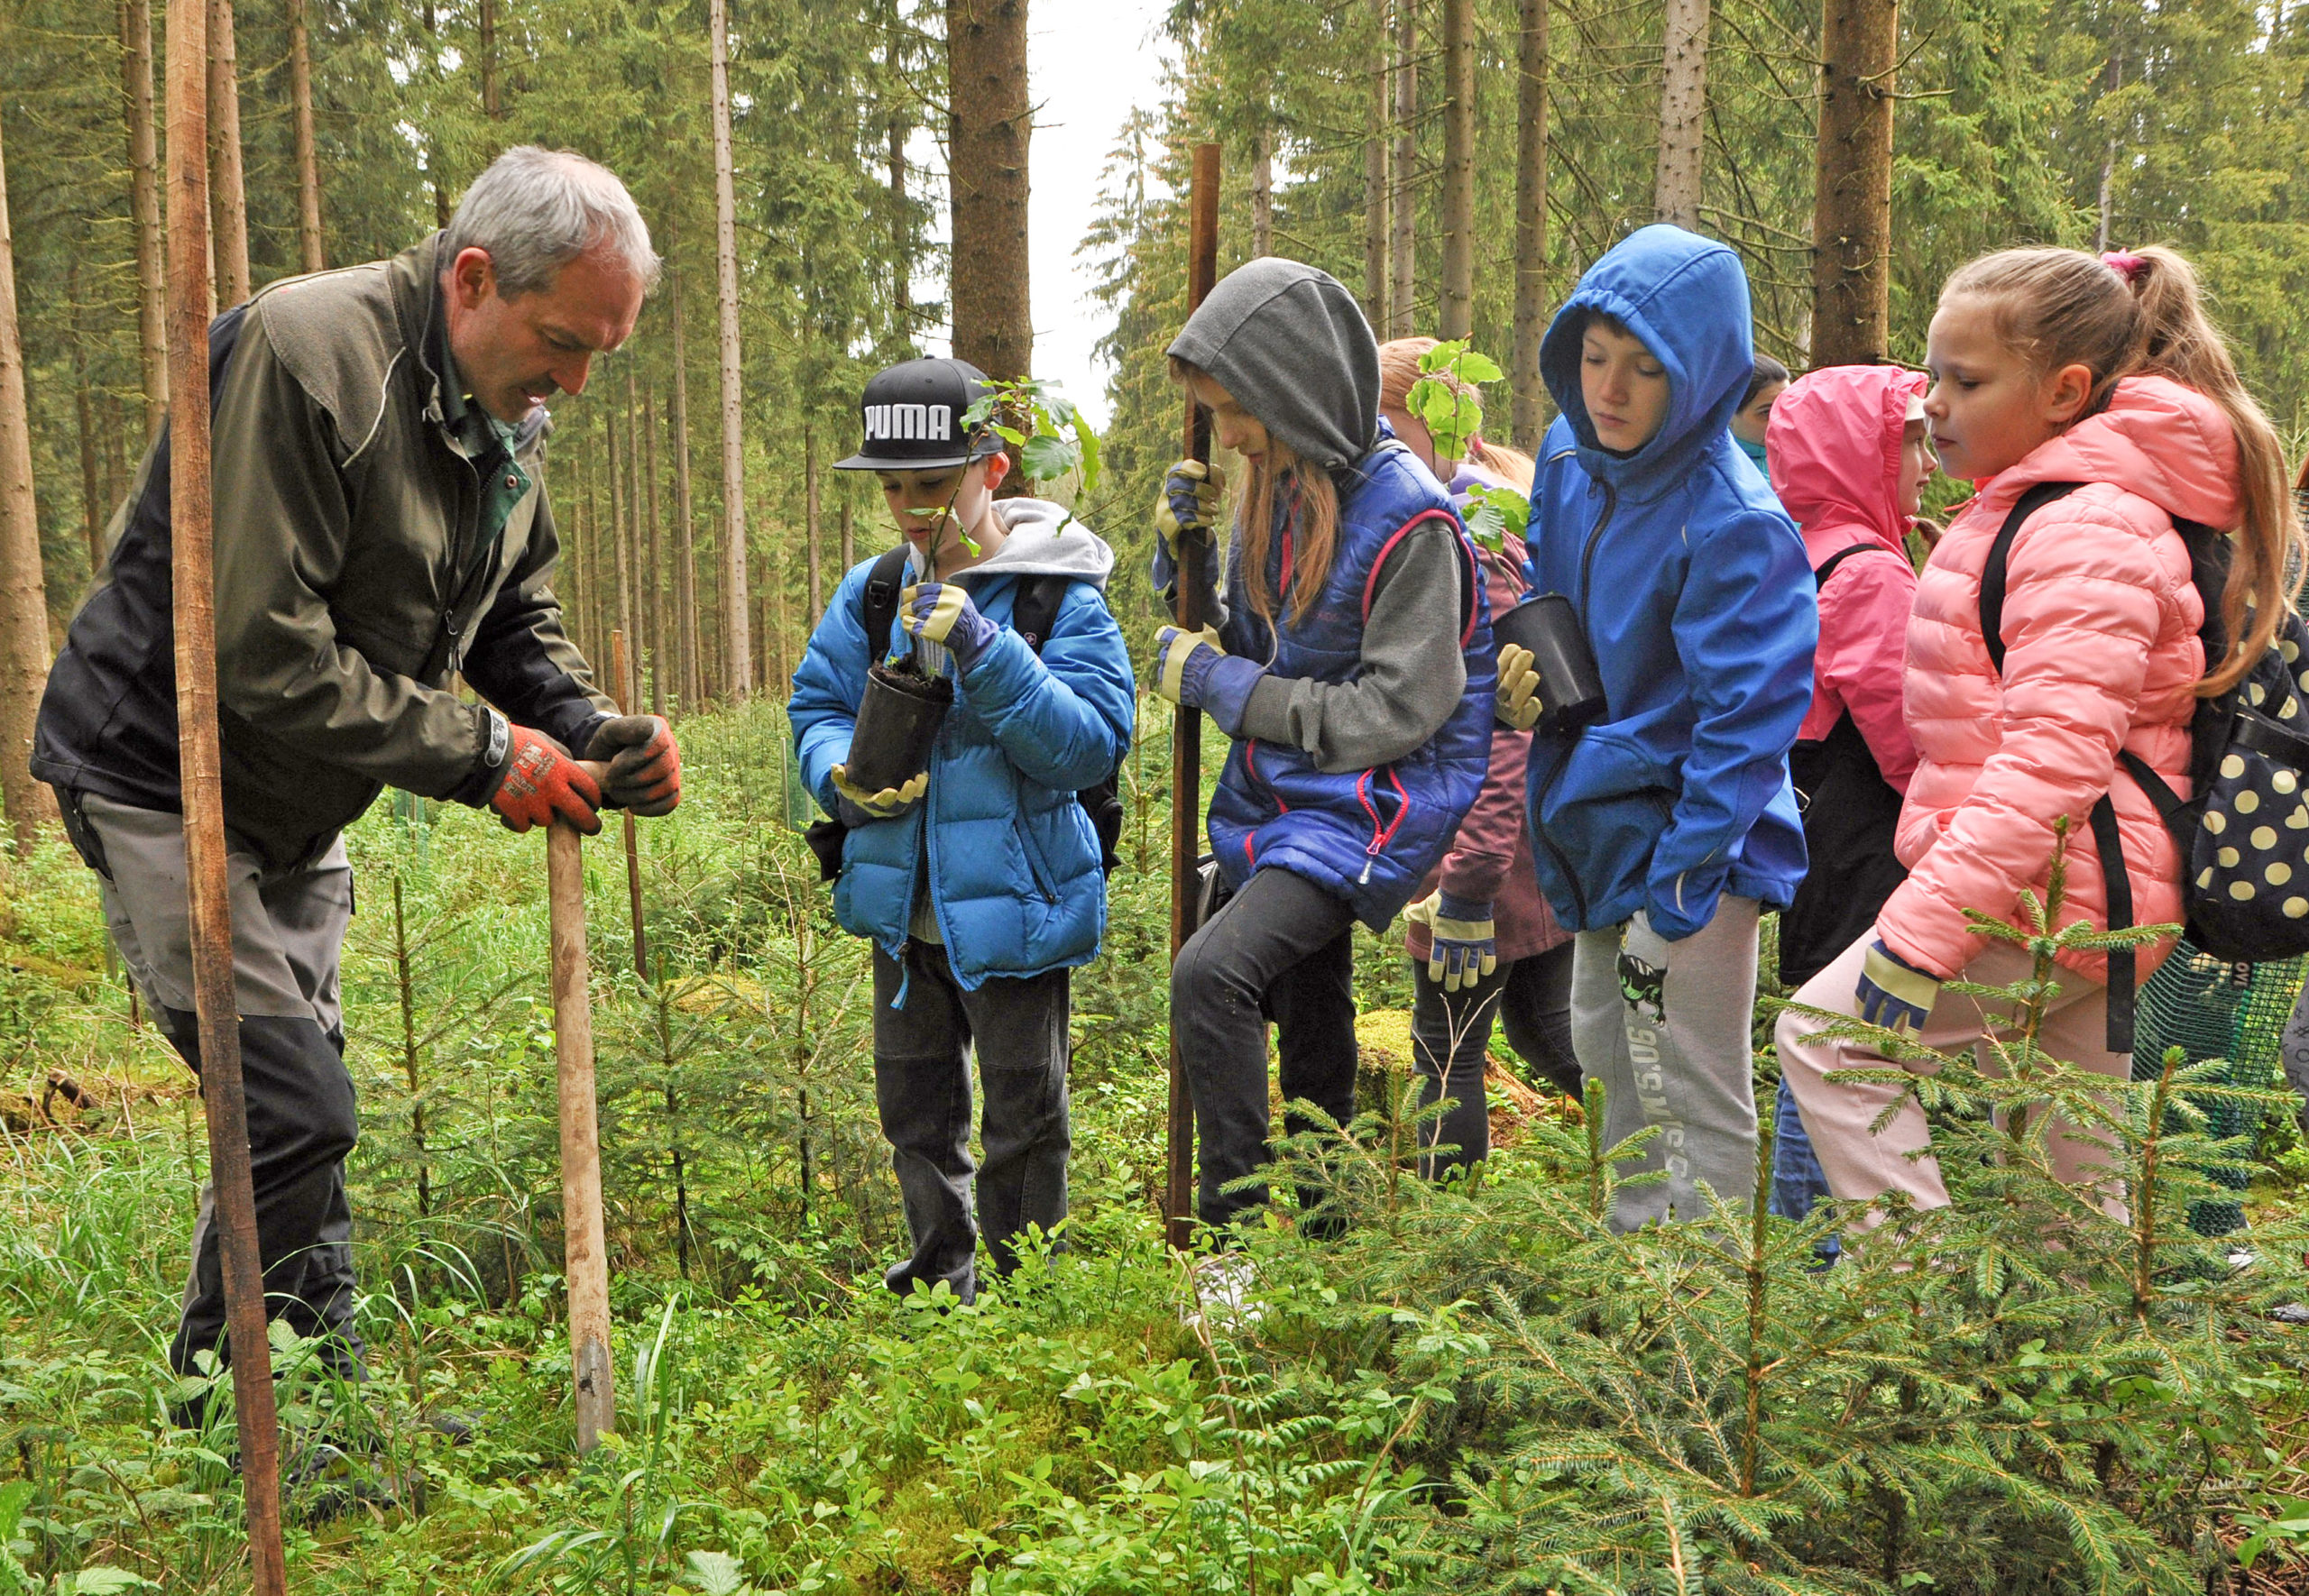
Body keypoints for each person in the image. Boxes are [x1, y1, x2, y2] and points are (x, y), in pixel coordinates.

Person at [33, 148, 681, 1421]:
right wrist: (485, 754)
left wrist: (587, 726)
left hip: (307, 794)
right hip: (170, 778)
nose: (575, 381)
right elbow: (257, 649)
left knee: (299, 1130)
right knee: (292, 1110)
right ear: (476, 277)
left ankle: (308, 1408)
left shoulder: (504, 405)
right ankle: (233, 1419)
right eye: (562, 340)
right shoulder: (311, 355)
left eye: (603, 351)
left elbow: (511, 605)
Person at [1777, 245, 2301, 1218]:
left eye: (1966, 380)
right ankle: (2092, 1366)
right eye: (1930, 373)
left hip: (2055, 888)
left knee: (1828, 1038)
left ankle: (1906, 1312)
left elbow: (2053, 760)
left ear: (2064, 392)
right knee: (2070, 1193)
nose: (1932, 401)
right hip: (2091, 891)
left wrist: (1918, 936)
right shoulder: (2055, 509)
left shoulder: (2081, 525)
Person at [1153, 260, 1493, 1240]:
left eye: (1233, 410)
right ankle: (1329, 1236)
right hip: (1289, 798)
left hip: (1374, 803)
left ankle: (1232, 1241)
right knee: (1310, 1015)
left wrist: (1219, 686)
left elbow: (1400, 709)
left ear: (1292, 388)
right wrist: (1181, 559)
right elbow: (1257, 643)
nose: (1226, 437)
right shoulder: (1283, 487)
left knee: (1210, 976)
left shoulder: (1410, 519)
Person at [788, 356, 1135, 1304]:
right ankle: (940, 1286)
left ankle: (1026, 1300)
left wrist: (986, 652)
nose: (908, 507)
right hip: (901, 913)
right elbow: (814, 705)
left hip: (1017, 911)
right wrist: (837, 774)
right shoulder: (868, 596)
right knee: (914, 1113)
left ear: (990, 469)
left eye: (931, 484)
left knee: (1023, 1116)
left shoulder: (1052, 595)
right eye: (891, 486)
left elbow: (1088, 746)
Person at [1497, 225, 1817, 1231]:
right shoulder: (1568, 458)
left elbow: (1749, 722)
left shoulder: (1735, 522)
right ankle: (1641, 1287)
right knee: (1604, 1049)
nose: (1611, 391)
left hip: (1699, 842)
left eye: (1646, 369)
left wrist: (1685, 877)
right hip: (1597, 811)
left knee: (1689, 1074)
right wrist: (1520, 682)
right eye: (1593, 358)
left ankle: (1710, 1328)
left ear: (1704, 371)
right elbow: (1554, 596)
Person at [1375, 336, 1578, 1182]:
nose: (1373, 454)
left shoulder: (1471, 538)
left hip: (1487, 842)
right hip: (1515, 839)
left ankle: (1444, 1244)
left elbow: (1504, 720)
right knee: (1549, 1028)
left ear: (1438, 427)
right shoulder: (1482, 508)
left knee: (1447, 1048)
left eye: (1385, 432)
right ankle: (1668, 1165)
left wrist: (1467, 879)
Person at [1761, 365, 1934, 1234]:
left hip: (1815, 837)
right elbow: (1915, 745)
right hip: (1873, 849)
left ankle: (1798, 1265)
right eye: (1909, 440)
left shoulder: (1800, 545)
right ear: (1857, 450)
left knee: (1817, 1044)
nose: (1928, 463)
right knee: (1850, 1056)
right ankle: (1827, 1269)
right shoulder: (1870, 575)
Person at [1730, 353, 1789, 473]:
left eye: (1787, 408)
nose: (1782, 421)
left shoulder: (1805, 457)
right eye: (1766, 412)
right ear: (1728, 415)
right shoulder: (1713, 476)